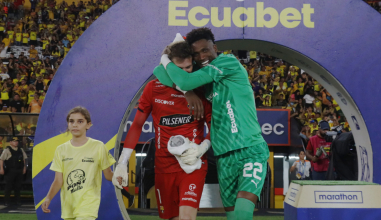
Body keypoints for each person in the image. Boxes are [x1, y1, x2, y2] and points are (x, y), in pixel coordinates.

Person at [155, 28, 269, 219]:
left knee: (242, 213)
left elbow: (175, 74)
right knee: (233, 216)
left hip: (250, 149)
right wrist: (187, 92)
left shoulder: (228, 62)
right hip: (224, 157)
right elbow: (158, 72)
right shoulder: (203, 79)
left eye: (205, 50)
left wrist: (165, 59)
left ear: (215, 48)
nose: (201, 56)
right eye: (196, 54)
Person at [113, 38, 212, 220]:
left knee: (186, 217)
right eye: (179, 69)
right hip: (163, 166)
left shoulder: (202, 89)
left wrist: (202, 148)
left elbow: (215, 127)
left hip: (192, 164)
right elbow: (136, 125)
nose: (184, 74)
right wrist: (122, 162)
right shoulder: (153, 89)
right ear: (169, 68)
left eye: (188, 68)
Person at [41, 106, 116, 219]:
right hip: (68, 206)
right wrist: (48, 198)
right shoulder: (61, 149)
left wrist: (119, 177)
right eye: (71, 121)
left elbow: (108, 175)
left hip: (89, 203)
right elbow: (58, 180)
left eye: (80, 121)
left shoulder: (98, 146)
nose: (75, 125)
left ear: (88, 125)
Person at [0, 137, 27, 206]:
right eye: (14, 141)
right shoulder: (7, 150)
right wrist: (1, 168)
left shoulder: (20, 149)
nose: (16, 142)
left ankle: (17, 201)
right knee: (8, 186)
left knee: (18, 186)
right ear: (10, 142)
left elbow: (24, 159)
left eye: (17, 141)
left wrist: (24, 168)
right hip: (10, 170)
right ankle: (7, 201)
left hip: (19, 170)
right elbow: (1, 159)